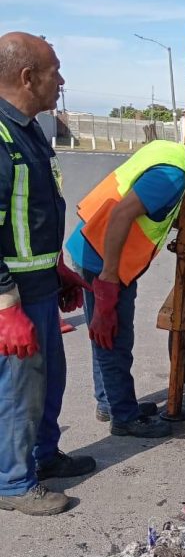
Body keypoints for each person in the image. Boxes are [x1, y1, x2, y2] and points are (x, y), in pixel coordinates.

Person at [66, 136, 185, 438]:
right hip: (104, 259)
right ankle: (124, 417)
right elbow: (122, 213)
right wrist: (108, 277)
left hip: (93, 247)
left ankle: (109, 402)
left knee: (104, 334)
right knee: (114, 338)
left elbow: (146, 207)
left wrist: (181, 223)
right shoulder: (173, 177)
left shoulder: (170, 152)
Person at [0, 32, 96, 517]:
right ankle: (13, 482)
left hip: (39, 285)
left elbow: (34, 213)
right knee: (17, 388)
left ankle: (43, 457)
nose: (60, 80)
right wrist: (6, 308)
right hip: (12, 295)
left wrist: (58, 267)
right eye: (55, 70)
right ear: (27, 77)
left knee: (46, 380)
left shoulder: (29, 130)